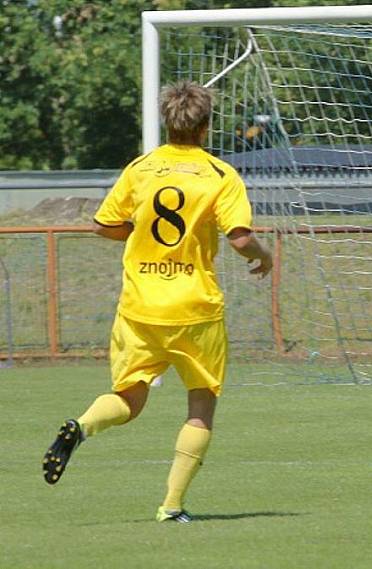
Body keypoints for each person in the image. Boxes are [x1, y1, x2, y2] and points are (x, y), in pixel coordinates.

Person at [42, 80, 273, 522]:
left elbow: (104, 225)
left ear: (167, 122)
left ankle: (81, 427)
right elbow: (241, 239)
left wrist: (138, 232)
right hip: (194, 308)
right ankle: (171, 506)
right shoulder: (220, 175)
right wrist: (264, 255)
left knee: (129, 398)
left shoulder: (141, 167)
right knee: (201, 403)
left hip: (140, 306)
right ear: (206, 127)